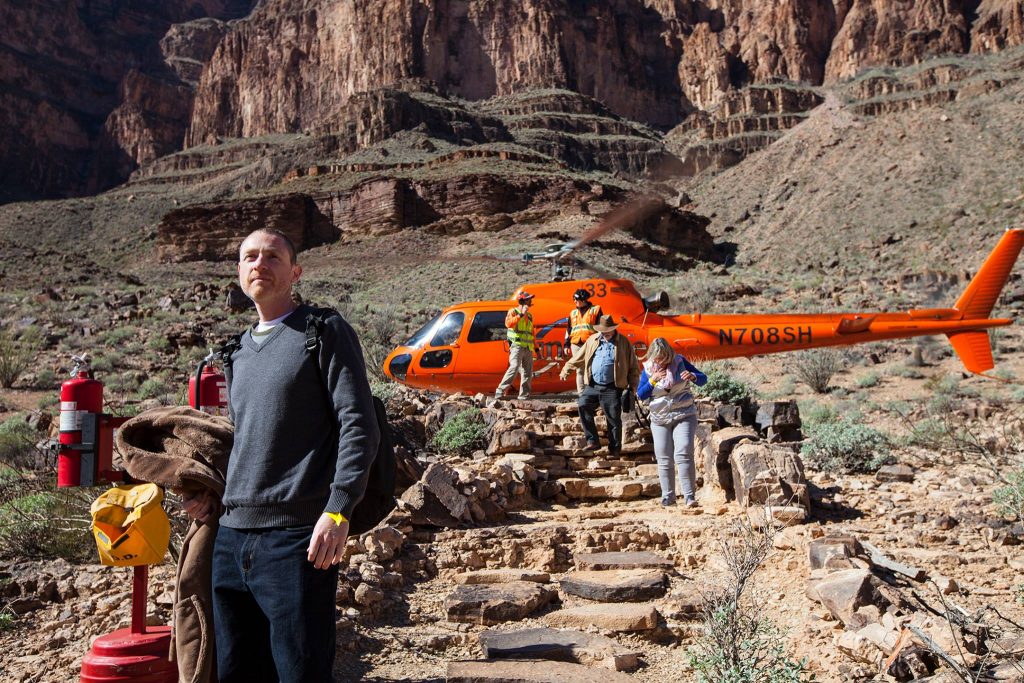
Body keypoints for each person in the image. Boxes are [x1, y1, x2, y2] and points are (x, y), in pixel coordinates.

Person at [183, 228, 380, 683]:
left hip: (295, 539)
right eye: (249, 257)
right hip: (231, 538)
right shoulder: (235, 353)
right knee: (235, 671)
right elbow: (244, 441)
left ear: (295, 272)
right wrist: (210, 495)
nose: (259, 264)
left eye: (272, 257)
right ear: (238, 271)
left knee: (300, 671)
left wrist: (337, 509)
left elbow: (359, 424)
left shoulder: (323, 330)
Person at [636, 338, 707, 507]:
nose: (661, 361)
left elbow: (704, 379)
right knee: (664, 458)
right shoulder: (647, 369)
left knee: (683, 452)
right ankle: (668, 497)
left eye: (664, 358)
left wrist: (693, 376)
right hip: (660, 419)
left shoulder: (680, 361)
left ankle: (689, 497)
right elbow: (641, 394)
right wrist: (653, 380)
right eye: (657, 358)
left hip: (684, 414)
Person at [559, 314, 640, 455]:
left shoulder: (623, 343)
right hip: (593, 385)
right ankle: (592, 441)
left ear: (613, 329)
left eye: (608, 330)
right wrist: (567, 368)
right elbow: (579, 357)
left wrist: (633, 386)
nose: (606, 333)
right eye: (603, 331)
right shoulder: (593, 340)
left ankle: (614, 449)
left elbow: (633, 366)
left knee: (613, 418)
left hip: (612, 386)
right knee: (583, 404)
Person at [495, 291, 536, 400]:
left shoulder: (530, 316)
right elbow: (508, 324)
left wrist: (536, 348)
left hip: (528, 347)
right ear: (522, 301)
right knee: (514, 367)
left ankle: (524, 396)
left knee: (528, 372)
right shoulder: (513, 311)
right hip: (517, 346)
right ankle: (500, 390)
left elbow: (532, 333)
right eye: (528, 299)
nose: (530, 301)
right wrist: (521, 314)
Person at [563, 288, 603, 394]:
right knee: (579, 370)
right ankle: (581, 394)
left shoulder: (596, 309)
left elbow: (601, 327)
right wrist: (566, 345)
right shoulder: (573, 313)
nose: (574, 301)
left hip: (591, 343)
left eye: (576, 299)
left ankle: (592, 392)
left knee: (592, 368)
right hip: (576, 344)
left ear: (584, 300)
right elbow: (568, 330)